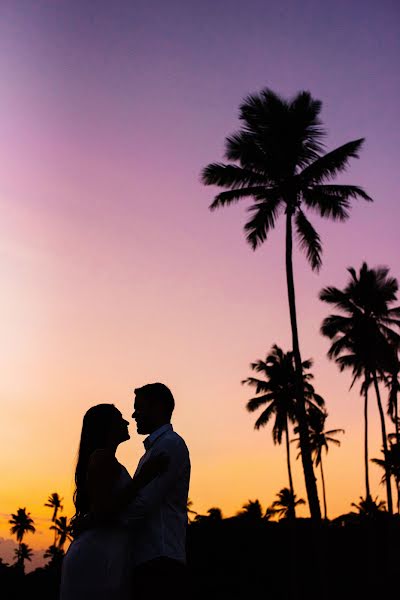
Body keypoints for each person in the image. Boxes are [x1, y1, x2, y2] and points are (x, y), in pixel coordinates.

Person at [60, 404, 166, 600]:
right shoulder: (102, 458)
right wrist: (143, 479)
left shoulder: (106, 459)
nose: (126, 422)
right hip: (98, 555)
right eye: (120, 419)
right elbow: (104, 511)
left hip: (107, 552)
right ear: (107, 427)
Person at [124, 383, 191, 600]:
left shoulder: (170, 445)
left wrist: (106, 518)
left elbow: (143, 504)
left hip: (160, 557)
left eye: (139, 408)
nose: (134, 414)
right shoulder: (155, 449)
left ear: (158, 408)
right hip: (152, 557)